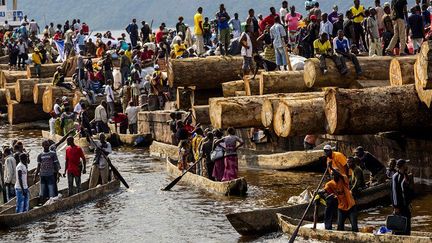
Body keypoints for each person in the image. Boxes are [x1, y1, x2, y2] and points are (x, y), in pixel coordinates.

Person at [324, 166, 358, 232]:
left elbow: (340, 175)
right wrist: (318, 193)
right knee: (339, 227)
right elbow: (325, 191)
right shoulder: (330, 184)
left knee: (354, 227)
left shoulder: (344, 179)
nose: (333, 176)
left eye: (335, 175)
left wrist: (331, 168)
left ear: (338, 174)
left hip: (351, 206)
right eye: (332, 175)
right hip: (341, 208)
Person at [391, 159, 413, 235]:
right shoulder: (395, 177)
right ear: (403, 166)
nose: (407, 166)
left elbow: (407, 191)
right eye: (406, 164)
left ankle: (407, 236)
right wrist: (396, 206)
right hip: (399, 206)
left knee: (407, 223)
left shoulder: (405, 175)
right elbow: (394, 193)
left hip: (405, 205)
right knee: (399, 225)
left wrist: (409, 202)